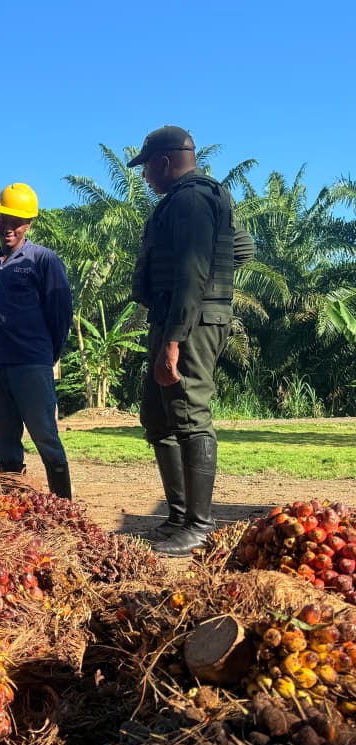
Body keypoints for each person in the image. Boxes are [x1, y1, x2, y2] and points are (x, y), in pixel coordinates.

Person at [127, 125, 250, 557]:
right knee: (158, 418)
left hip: (189, 323)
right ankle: (179, 517)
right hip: (172, 317)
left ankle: (199, 525)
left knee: (188, 413)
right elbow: (240, 248)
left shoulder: (193, 199)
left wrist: (176, 338)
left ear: (163, 161)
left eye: (146, 168)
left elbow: (193, 271)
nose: (145, 176)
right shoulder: (190, 199)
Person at [0, 184, 74, 499]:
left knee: (45, 436)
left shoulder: (43, 261)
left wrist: (47, 354)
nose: (8, 227)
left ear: (29, 224)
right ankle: (14, 504)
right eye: (3, 219)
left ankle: (64, 507)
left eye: (16, 221)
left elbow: (60, 313)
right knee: (4, 441)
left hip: (31, 364)